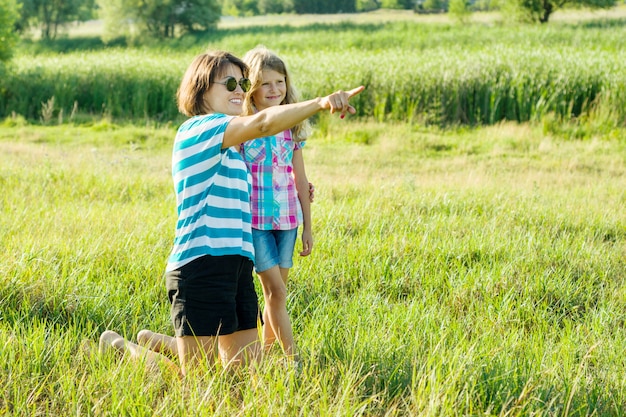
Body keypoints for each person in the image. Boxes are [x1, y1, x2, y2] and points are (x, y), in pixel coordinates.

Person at [99, 50, 364, 377]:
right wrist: (322, 103)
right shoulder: (200, 130)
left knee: (242, 375)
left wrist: (299, 190)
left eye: (243, 82)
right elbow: (264, 122)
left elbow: (267, 175)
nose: (240, 89)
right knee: (196, 384)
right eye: (229, 83)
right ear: (200, 89)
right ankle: (122, 347)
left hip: (238, 265)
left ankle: (157, 341)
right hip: (202, 266)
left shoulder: (233, 148)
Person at [240, 46, 311, 361]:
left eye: (279, 82)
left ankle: (265, 357)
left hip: (287, 221)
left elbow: (300, 177)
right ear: (252, 88)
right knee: (276, 293)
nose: (274, 90)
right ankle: (294, 361)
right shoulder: (243, 128)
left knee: (275, 297)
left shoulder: (291, 128)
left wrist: (308, 226)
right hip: (255, 222)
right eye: (266, 84)